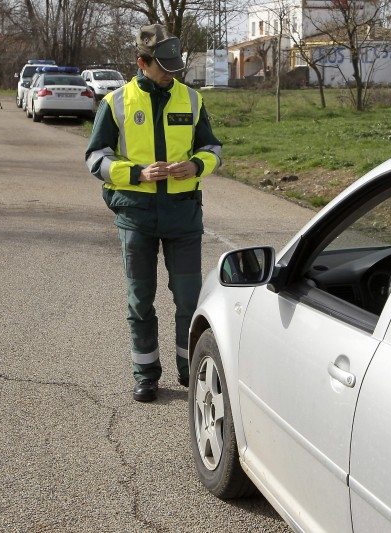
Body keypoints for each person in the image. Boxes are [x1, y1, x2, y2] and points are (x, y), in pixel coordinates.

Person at [85, 24, 222, 402]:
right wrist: (137, 174)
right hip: (136, 216)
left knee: (189, 298)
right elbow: (95, 158)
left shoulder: (191, 100)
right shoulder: (115, 103)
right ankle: (146, 374)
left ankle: (188, 370)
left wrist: (196, 165)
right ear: (141, 63)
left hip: (183, 216)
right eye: (163, 66)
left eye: (174, 66)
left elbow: (213, 149)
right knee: (140, 299)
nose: (171, 74)